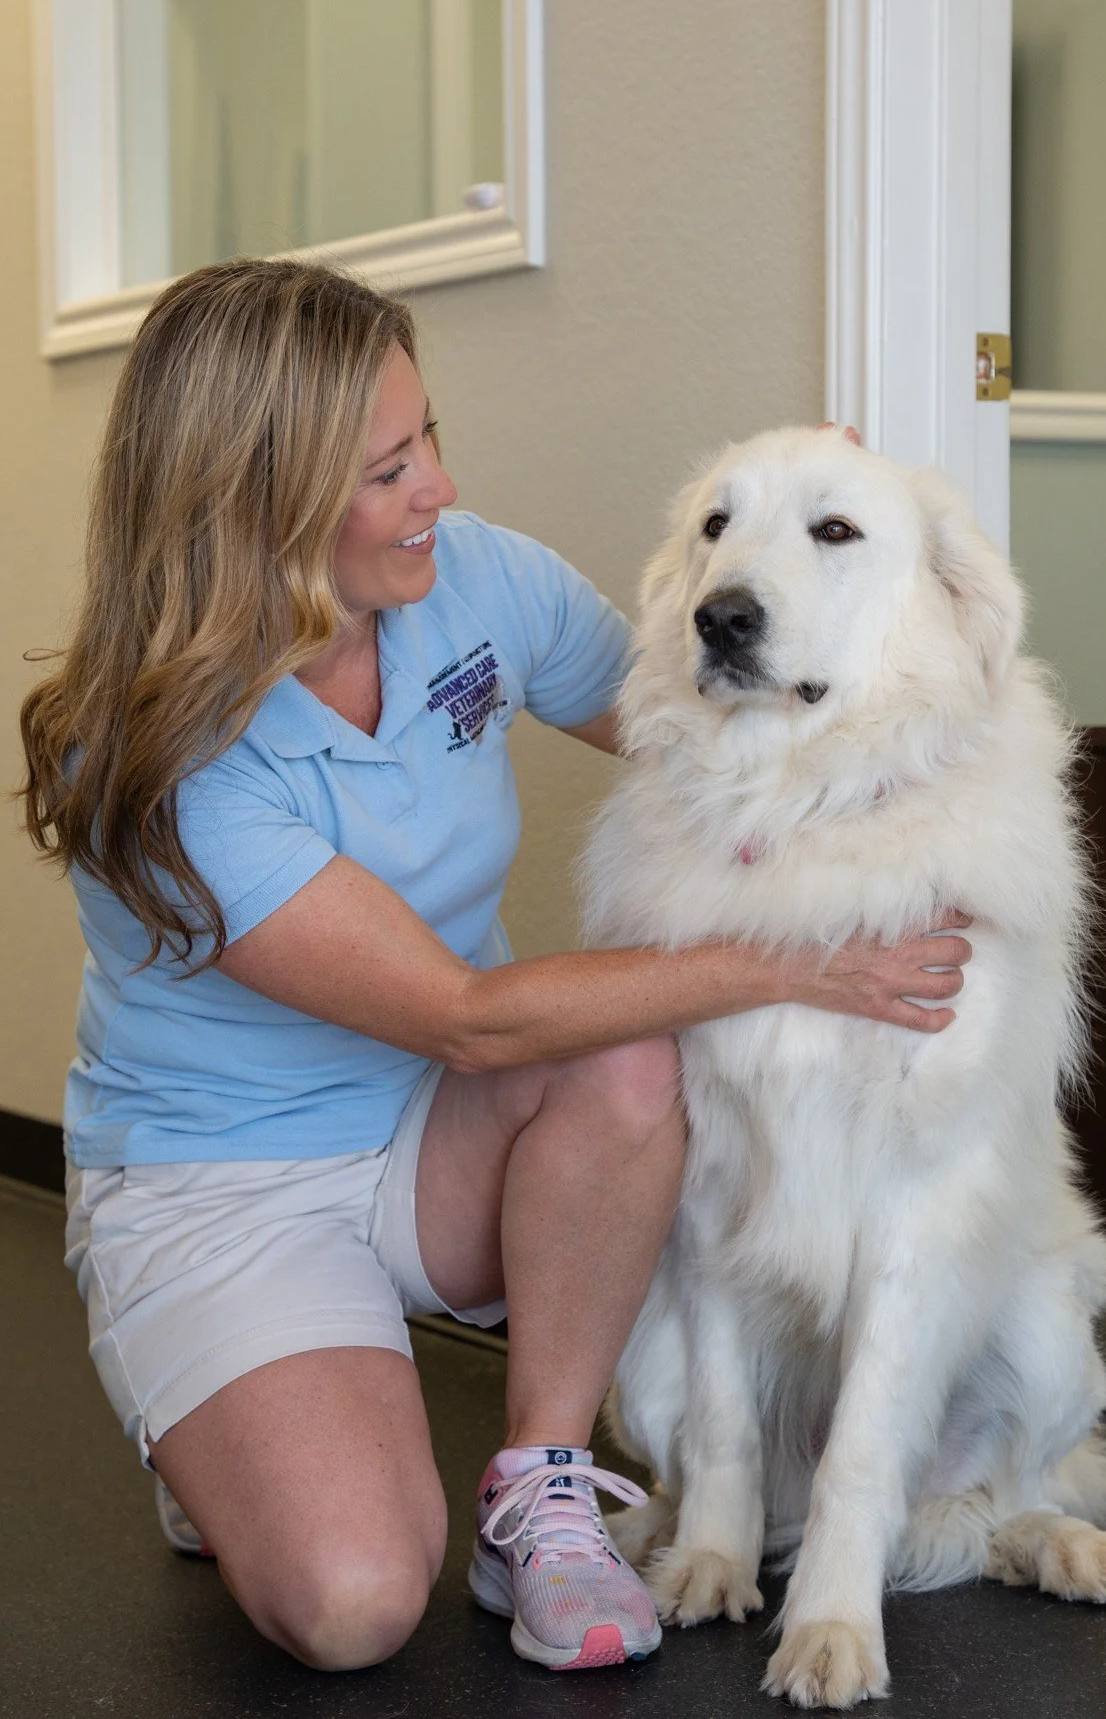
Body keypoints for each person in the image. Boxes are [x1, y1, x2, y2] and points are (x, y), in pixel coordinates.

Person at [19, 259, 971, 1677]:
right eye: (389, 470)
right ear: (255, 506)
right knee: (351, 1605)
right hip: (223, 1183)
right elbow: (466, 1018)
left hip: (429, 1143)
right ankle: (209, 1424)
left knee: (629, 1049)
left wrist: (812, 551)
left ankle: (541, 1487)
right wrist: (803, 961)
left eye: (429, 440)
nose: (439, 491)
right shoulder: (165, 765)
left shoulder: (471, 580)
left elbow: (700, 720)